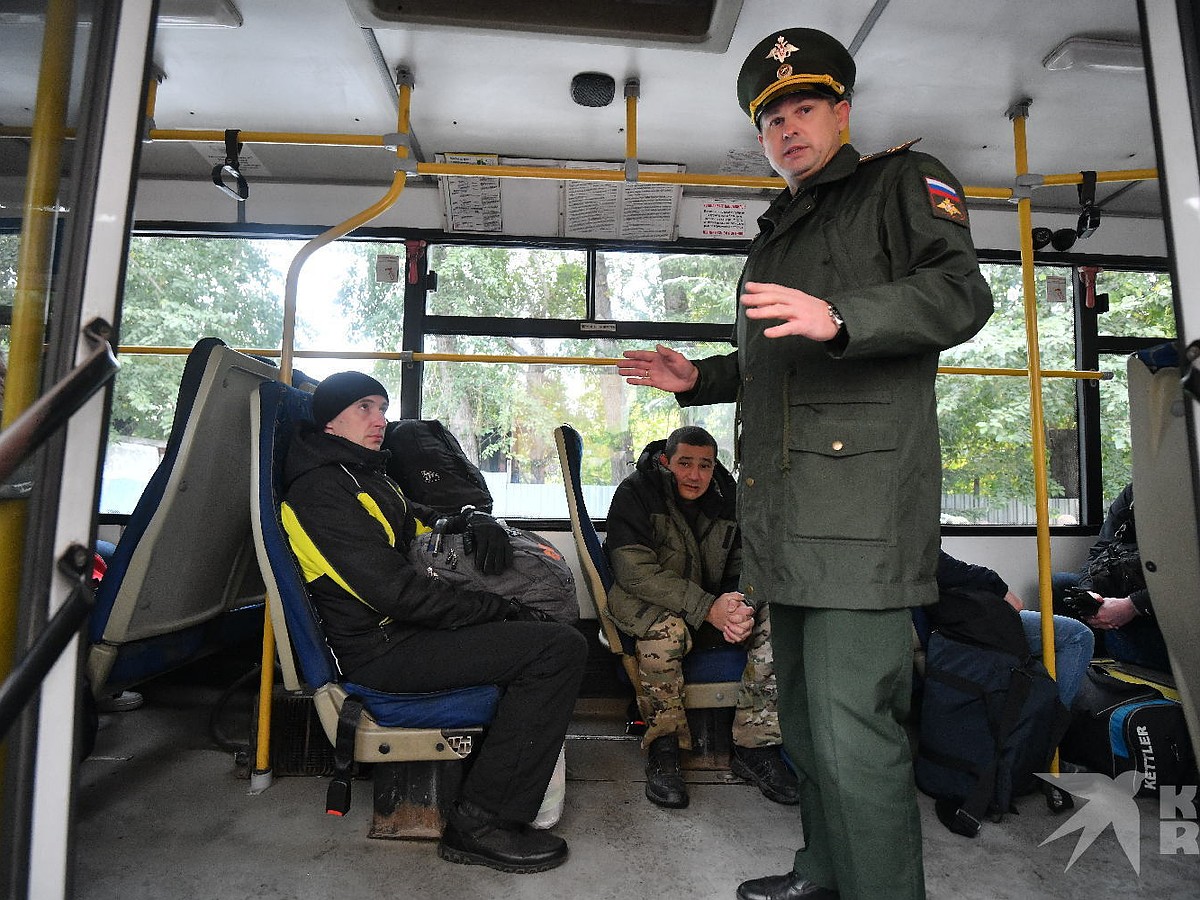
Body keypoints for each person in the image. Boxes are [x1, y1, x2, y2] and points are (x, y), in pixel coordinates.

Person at [619, 27, 993, 900]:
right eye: (772, 117)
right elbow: (775, 364)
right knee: (809, 727)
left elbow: (960, 293)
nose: (788, 128)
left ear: (842, 113)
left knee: (856, 730)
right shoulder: (784, 225)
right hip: (787, 527)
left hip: (860, 519)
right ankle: (824, 869)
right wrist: (700, 378)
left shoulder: (898, 182)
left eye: (805, 108)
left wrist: (846, 317)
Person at [281, 371, 587, 874]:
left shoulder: (367, 477)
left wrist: (472, 517)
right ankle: (481, 823)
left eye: (382, 407)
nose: (380, 420)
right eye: (365, 408)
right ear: (329, 420)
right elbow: (396, 594)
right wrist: (499, 609)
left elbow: (424, 522)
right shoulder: (320, 494)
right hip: (384, 648)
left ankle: (510, 792)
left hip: (407, 632)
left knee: (549, 632)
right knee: (558, 650)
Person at [604, 425, 798, 809]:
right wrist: (709, 608)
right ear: (666, 461)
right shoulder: (635, 493)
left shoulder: (728, 497)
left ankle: (755, 747)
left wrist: (740, 606)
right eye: (685, 463)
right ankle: (664, 747)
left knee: (775, 621)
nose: (695, 475)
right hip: (648, 599)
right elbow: (634, 572)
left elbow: (747, 562)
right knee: (666, 635)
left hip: (709, 602)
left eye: (705, 465)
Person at [935, 550, 1094, 705]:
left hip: (941, 611)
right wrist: (996, 584)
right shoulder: (916, 529)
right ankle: (1052, 723)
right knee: (1078, 636)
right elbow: (940, 566)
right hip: (952, 617)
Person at [1053, 483, 1170, 672]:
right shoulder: (1134, 493)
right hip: (1125, 589)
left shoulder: (1189, 499)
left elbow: (1187, 583)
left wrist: (1133, 605)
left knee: (1117, 641)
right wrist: (1088, 592)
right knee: (1061, 585)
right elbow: (1101, 550)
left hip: (1161, 609)